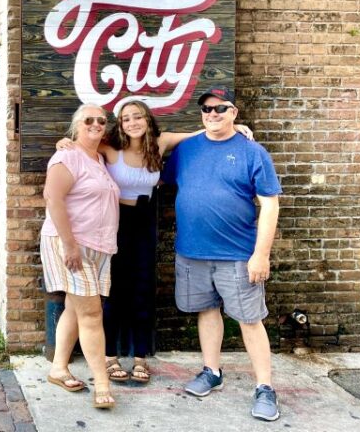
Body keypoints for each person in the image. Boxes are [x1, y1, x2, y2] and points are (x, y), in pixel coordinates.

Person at [56, 100, 254, 384]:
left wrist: (234, 127)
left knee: (143, 287)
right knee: (112, 290)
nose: (133, 123)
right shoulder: (110, 147)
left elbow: (200, 133)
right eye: (126, 119)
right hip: (114, 221)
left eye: (138, 117)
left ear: (147, 120)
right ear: (120, 124)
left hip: (146, 219)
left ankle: (140, 356)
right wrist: (65, 142)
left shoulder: (160, 143)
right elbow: (82, 145)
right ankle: (109, 355)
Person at [161, 85, 282, 421]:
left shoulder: (252, 152)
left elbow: (270, 206)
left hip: (238, 254)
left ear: (235, 113)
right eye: (207, 109)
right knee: (206, 311)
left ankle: (265, 388)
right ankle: (211, 371)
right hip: (192, 252)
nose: (213, 114)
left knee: (249, 319)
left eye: (220, 109)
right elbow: (159, 168)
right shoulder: (187, 150)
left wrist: (261, 254)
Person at [41, 103, 120, 409]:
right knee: (91, 313)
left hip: (99, 246)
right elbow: (53, 198)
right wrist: (69, 244)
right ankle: (102, 383)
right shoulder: (66, 156)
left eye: (101, 120)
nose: (96, 124)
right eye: (88, 120)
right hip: (71, 245)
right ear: (76, 125)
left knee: (75, 309)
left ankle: (58, 368)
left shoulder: (99, 157)